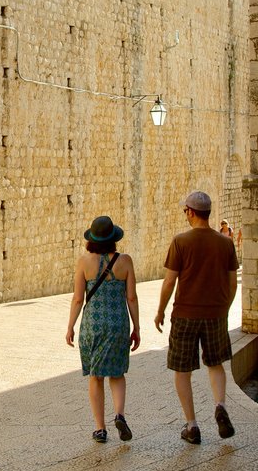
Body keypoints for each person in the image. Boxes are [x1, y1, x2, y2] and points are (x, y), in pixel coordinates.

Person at [155, 191, 239, 445]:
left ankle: (191, 425)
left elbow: (170, 281)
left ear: (191, 212)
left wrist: (160, 310)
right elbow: (232, 282)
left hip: (185, 313)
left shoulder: (181, 242)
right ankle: (220, 404)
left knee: (182, 370)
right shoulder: (225, 243)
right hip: (215, 313)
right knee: (216, 364)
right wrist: (225, 307)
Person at [66, 215, 141, 443]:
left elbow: (78, 299)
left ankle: (100, 429)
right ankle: (119, 414)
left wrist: (70, 326)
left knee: (96, 376)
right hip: (118, 324)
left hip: (93, 326)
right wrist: (137, 327)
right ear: (113, 238)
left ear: (92, 239)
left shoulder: (84, 262)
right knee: (117, 374)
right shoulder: (125, 261)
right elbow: (131, 297)